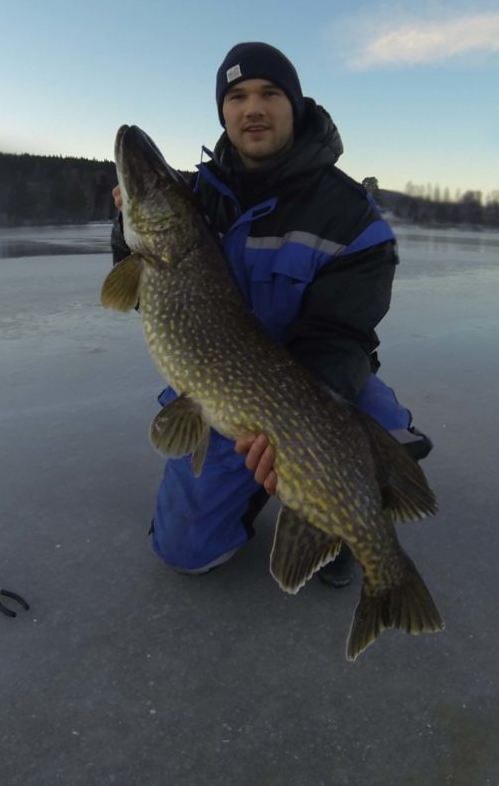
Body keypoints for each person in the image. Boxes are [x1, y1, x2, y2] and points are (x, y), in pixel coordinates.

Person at [111, 42, 430, 588]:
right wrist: (126, 231)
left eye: (268, 93)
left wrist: (292, 432)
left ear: (295, 104)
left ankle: (348, 523)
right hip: (216, 393)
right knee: (185, 552)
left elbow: (341, 336)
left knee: (378, 428)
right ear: (224, 112)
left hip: (312, 381)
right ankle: (264, 488)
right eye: (236, 97)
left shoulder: (352, 216)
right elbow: (145, 297)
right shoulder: (196, 197)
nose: (251, 108)